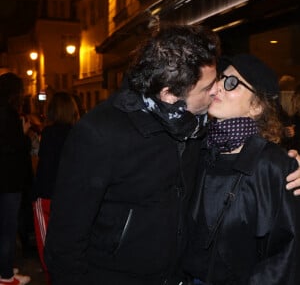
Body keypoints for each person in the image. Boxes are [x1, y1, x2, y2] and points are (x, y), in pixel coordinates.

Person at [44, 25, 300, 285]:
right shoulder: (100, 133)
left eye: (224, 80)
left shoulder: (201, 131)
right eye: (210, 85)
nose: (216, 90)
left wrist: (291, 164)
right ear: (169, 95)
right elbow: (65, 245)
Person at [183, 54, 300, 284]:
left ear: (256, 106)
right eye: (220, 79)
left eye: (231, 83)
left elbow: (285, 256)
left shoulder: (273, 165)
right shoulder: (197, 149)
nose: (217, 88)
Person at [32, 92, 79, 284]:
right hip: (70, 197)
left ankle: (53, 278)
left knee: (46, 243)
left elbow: (44, 168)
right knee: (66, 242)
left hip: (47, 195)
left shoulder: (49, 134)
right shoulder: (78, 132)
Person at [0, 73, 31, 285]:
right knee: (7, 229)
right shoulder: (8, 116)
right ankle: (6, 276)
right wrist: (25, 132)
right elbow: (15, 148)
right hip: (8, 181)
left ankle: (5, 268)